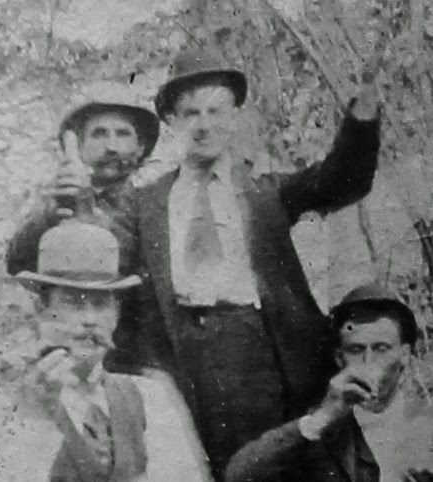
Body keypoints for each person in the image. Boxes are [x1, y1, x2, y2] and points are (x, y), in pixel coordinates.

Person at [112, 49, 382, 478]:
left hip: (262, 355)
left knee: (286, 464)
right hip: (187, 366)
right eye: (191, 113)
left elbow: (341, 177)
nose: (204, 124)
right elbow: (106, 260)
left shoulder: (265, 192)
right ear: (172, 122)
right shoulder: (145, 206)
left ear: (235, 116)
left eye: (215, 110)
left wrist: (363, 113)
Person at [0, 221, 213, 481]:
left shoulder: (150, 397)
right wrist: (39, 417)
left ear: (117, 314)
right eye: (73, 303)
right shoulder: (2, 409)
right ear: (42, 311)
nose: (90, 320)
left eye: (101, 304)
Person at [226, 283, 433, 482]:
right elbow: (238, 475)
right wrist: (321, 418)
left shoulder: (425, 425)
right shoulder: (324, 429)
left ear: (405, 355)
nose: (368, 361)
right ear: (340, 358)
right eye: (356, 350)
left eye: (381, 349)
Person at [5, 85, 160, 277]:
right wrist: (48, 219)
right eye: (99, 134)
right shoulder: (55, 198)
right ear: (78, 146)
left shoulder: (152, 204)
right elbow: (16, 264)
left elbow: (145, 268)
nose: (111, 147)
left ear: (140, 148)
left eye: (123, 134)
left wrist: (88, 214)